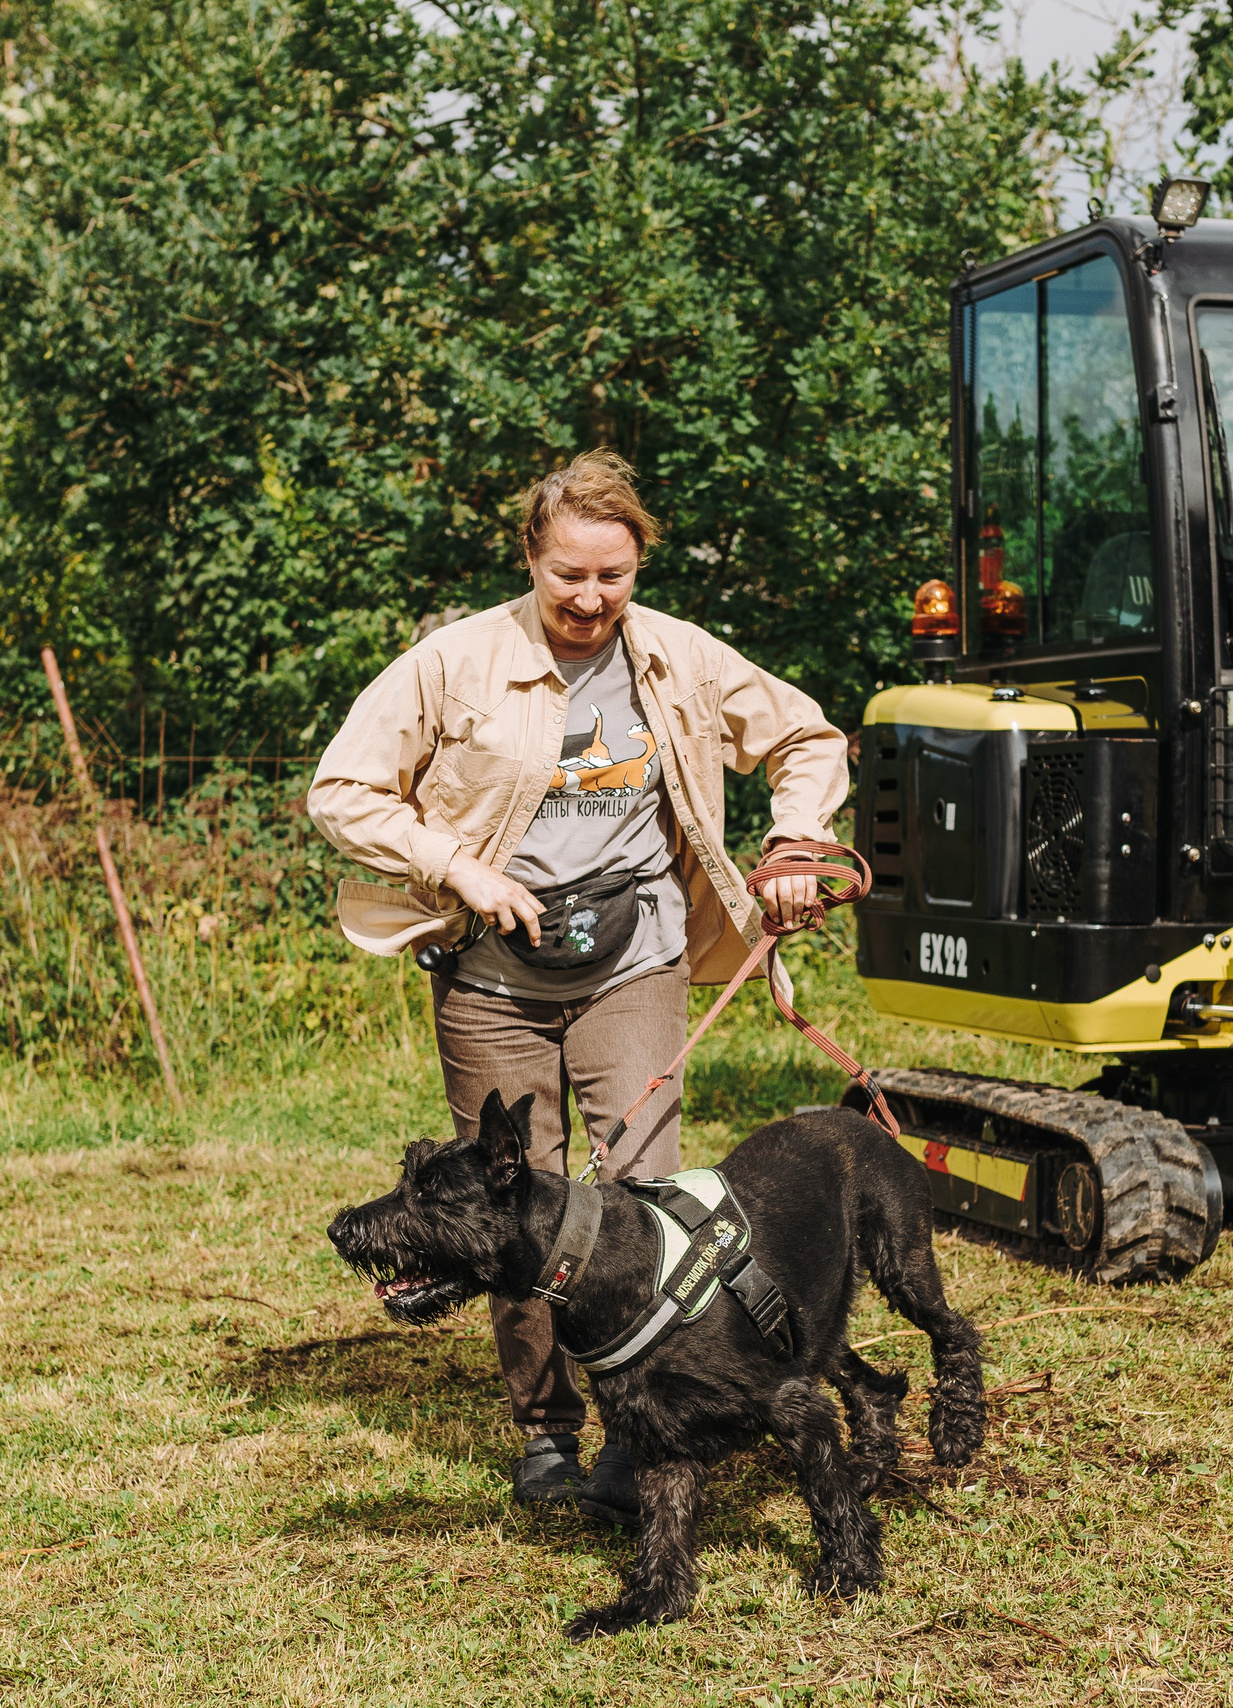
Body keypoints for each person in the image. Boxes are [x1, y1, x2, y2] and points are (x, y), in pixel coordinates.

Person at [307, 449, 846, 1524]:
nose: (592, 598)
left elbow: (805, 735)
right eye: (569, 576)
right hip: (490, 973)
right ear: (530, 558)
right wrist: (457, 867)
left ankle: (643, 1426)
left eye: (614, 576)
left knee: (643, 1186)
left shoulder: (681, 659)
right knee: (511, 1203)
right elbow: (343, 789)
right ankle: (548, 1429)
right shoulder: (453, 662)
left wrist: (796, 841)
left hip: (635, 957)